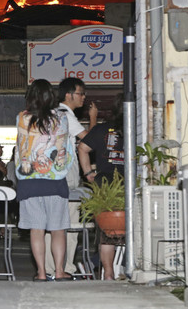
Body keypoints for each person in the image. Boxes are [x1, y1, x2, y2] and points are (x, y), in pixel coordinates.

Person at [15, 79, 74, 282]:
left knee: (36, 229)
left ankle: (41, 273)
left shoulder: (22, 118)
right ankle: (59, 271)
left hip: (29, 181)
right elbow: (64, 146)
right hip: (54, 181)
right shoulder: (62, 118)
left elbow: (21, 146)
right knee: (58, 229)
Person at [44, 77, 98, 278]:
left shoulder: (50, 113)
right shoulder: (66, 114)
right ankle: (65, 267)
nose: (83, 97)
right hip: (67, 175)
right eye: (80, 93)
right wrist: (93, 118)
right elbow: (90, 140)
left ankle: (51, 268)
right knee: (71, 223)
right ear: (68, 95)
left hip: (50, 174)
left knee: (52, 224)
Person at [78, 94, 125, 280]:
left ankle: (108, 273)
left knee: (107, 231)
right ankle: (123, 268)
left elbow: (82, 148)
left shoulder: (103, 129)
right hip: (130, 183)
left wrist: (89, 173)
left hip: (104, 184)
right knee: (133, 227)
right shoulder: (137, 128)